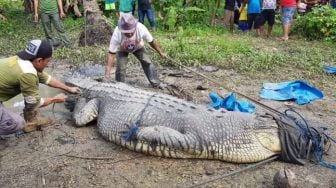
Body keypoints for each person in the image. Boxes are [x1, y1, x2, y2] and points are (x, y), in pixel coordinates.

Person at [0, 39, 80, 135]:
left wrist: (68, 88)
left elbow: (46, 78)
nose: (48, 64)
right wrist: (55, 99)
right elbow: (34, 102)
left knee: (30, 97)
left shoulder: (23, 60)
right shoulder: (27, 73)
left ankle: (30, 120)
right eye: (48, 61)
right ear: (39, 61)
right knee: (17, 123)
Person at [104, 14, 166, 87]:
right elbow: (111, 53)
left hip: (138, 47)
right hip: (122, 49)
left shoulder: (141, 28)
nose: (129, 33)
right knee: (121, 68)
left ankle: (156, 83)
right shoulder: (117, 32)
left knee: (147, 62)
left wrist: (160, 53)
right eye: (126, 31)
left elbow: (151, 41)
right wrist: (107, 75)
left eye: (131, 30)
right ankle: (119, 86)